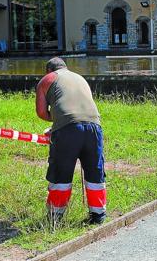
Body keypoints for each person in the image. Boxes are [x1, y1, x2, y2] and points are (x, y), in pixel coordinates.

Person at [36, 57, 106, 225]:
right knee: (95, 173)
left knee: (61, 173)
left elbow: (41, 112)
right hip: (95, 127)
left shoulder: (48, 79)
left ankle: (55, 217)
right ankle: (98, 215)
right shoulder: (80, 78)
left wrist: (59, 121)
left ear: (49, 70)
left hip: (68, 132)